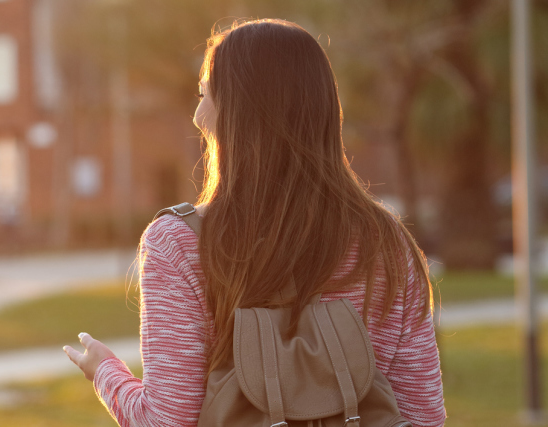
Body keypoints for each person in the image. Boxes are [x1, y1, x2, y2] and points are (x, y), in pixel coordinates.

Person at [63, 19, 446, 426]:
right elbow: (423, 416)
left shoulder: (179, 243)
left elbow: (168, 421)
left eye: (205, 95)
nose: (196, 116)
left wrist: (105, 372)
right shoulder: (386, 243)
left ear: (237, 114)